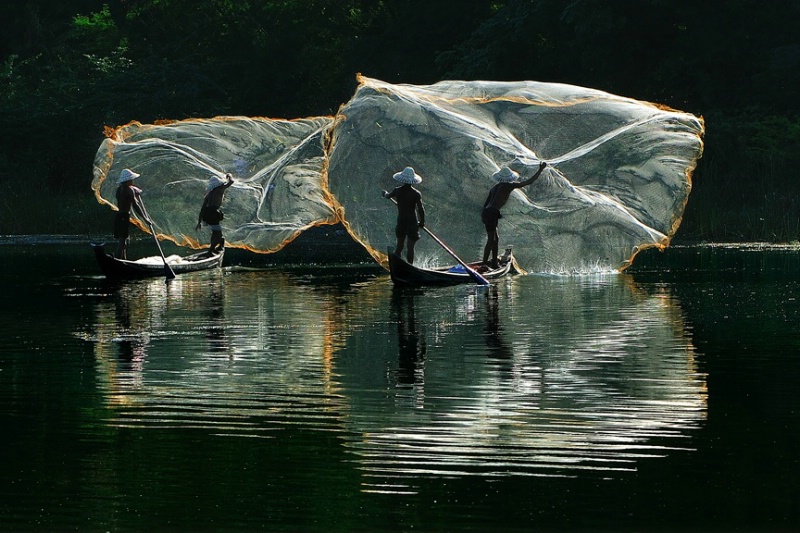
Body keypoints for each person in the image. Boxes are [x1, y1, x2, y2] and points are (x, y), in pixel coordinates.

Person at [481, 160, 547, 268]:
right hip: (492, 212)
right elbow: (528, 182)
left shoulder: (494, 188)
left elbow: (486, 205)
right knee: (492, 239)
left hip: (487, 212)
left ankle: (489, 262)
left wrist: (491, 215)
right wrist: (540, 170)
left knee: (494, 238)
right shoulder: (508, 186)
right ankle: (489, 264)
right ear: (509, 178)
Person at [382, 166, 425, 264]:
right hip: (412, 223)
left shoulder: (398, 191)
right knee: (410, 247)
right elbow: (421, 209)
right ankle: (410, 266)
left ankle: (399, 265)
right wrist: (422, 222)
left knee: (399, 246)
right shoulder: (416, 193)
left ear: (403, 179)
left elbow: (388, 196)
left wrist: (384, 193)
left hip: (401, 222)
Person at [196, 173, 234, 255]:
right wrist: (229, 175)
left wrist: (199, 221)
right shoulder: (220, 189)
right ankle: (210, 251)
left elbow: (203, 208)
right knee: (218, 235)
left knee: (215, 232)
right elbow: (231, 182)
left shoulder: (209, 194)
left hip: (207, 214)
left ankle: (218, 247)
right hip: (213, 214)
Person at [113, 168, 147, 259]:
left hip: (119, 216)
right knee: (122, 241)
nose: (132, 181)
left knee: (124, 240)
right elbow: (135, 205)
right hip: (124, 216)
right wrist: (145, 218)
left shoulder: (119, 189)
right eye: (131, 179)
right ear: (127, 180)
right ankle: (118, 260)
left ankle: (123, 259)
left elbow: (128, 195)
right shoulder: (128, 190)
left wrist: (135, 192)